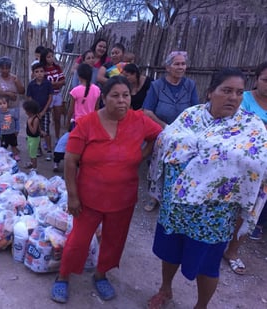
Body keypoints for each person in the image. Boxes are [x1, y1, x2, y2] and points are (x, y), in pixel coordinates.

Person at [147, 68, 267, 309]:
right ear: (211, 92)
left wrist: (211, 156)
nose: (233, 97)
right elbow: (165, 141)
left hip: (213, 216)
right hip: (177, 207)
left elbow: (258, 164)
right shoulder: (190, 116)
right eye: (226, 90)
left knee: (207, 265)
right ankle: (165, 289)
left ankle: (200, 306)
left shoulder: (251, 127)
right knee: (170, 253)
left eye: (239, 92)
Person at [50, 75, 162, 304]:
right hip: (88, 197)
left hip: (123, 197)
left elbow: (159, 135)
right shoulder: (87, 124)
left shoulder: (139, 121)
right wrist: (72, 196)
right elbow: (70, 162)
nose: (122, 101)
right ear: (104, 98)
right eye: (115, 96)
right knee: (78, 240)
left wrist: (141, 155)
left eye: (126, 96)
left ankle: (101, 275)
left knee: (114, 240)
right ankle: (63, 277)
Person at [223, 61, 267, 274]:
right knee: (229, 208)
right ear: (257, 78)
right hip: (237, 167)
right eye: (266, 80)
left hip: (264, 170)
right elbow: (236, 130)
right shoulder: (244, 100)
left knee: (251, 211)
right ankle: (216, 246)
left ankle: (232, 251)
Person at [143, 51, 200, 211]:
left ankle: (173, 197)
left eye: (183, 64)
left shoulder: (190, 85)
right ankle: (153, 197)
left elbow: (195, 109)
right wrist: (165, 127)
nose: (180, 67)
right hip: (161, 131)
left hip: (183, 134)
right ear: (168, 67)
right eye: (177, 64)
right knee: (156, 163)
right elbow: (147, 111)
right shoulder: (157, 86)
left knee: (180, 165)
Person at [26, 62, 53, 160]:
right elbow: (29, 98)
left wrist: (43, 111)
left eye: (41, 71)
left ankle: (49, 150)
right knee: (36, 131)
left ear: (45, 72)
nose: (39, 73)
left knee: (46, 131)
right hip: (34, 113)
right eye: (37, 72)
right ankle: (38, 149)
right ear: (33, 73)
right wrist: (34, 112)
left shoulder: (48, 84)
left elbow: (50, 98)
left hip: (45, 111)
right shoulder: (31, 85)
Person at [0, 56, 25, 138]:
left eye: (7, 68)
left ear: (10, 68)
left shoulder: (14, 78)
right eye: (2, 68)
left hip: (13, 107)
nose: (5, 70)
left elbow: (22, 91)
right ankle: (3, 144)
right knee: (2, 126)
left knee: (15, 126)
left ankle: (13, 144)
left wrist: (17, 82)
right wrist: (9, 94)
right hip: (1, 108)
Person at [40, 48, 65, 148]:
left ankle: (57, 138)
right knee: (46, 119)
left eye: (52, 56)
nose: (51, 59)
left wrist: (53, 84)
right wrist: (55, 84)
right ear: (44, 58)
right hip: (47, 96)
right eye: (48, 57)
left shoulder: (57, 67)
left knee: (57, 118)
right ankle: (47, 140)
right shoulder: (42, 69)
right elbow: (44, 83)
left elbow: (63, 81)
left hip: (57, 95)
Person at [67, 63, 101, 128]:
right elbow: (97, 109)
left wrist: (68, 122)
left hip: (78, 123)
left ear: (79, 76)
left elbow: (71, 110)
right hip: (91, 122)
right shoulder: (97, 90)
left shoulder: (75, 91)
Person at [0, 96, 20, 161]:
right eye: (0, 104)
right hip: (4, 134)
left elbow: (17, 120)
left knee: (14, 145)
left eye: (4, 103)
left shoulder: (12, 112)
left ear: (8, 104)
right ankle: (3, 157)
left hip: (12, 133)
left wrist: (17, 130)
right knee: (3, 147)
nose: (2, 105)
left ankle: (15, 155)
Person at [23, 100, 42, 171]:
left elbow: (34, 131)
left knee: (33, 154)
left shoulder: (35, 119)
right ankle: (32, 163)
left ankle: (35, 168)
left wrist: (29, 124)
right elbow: (39, 128)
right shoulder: (31, 117)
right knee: (30, 152)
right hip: (30, 137)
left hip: (34, 138)